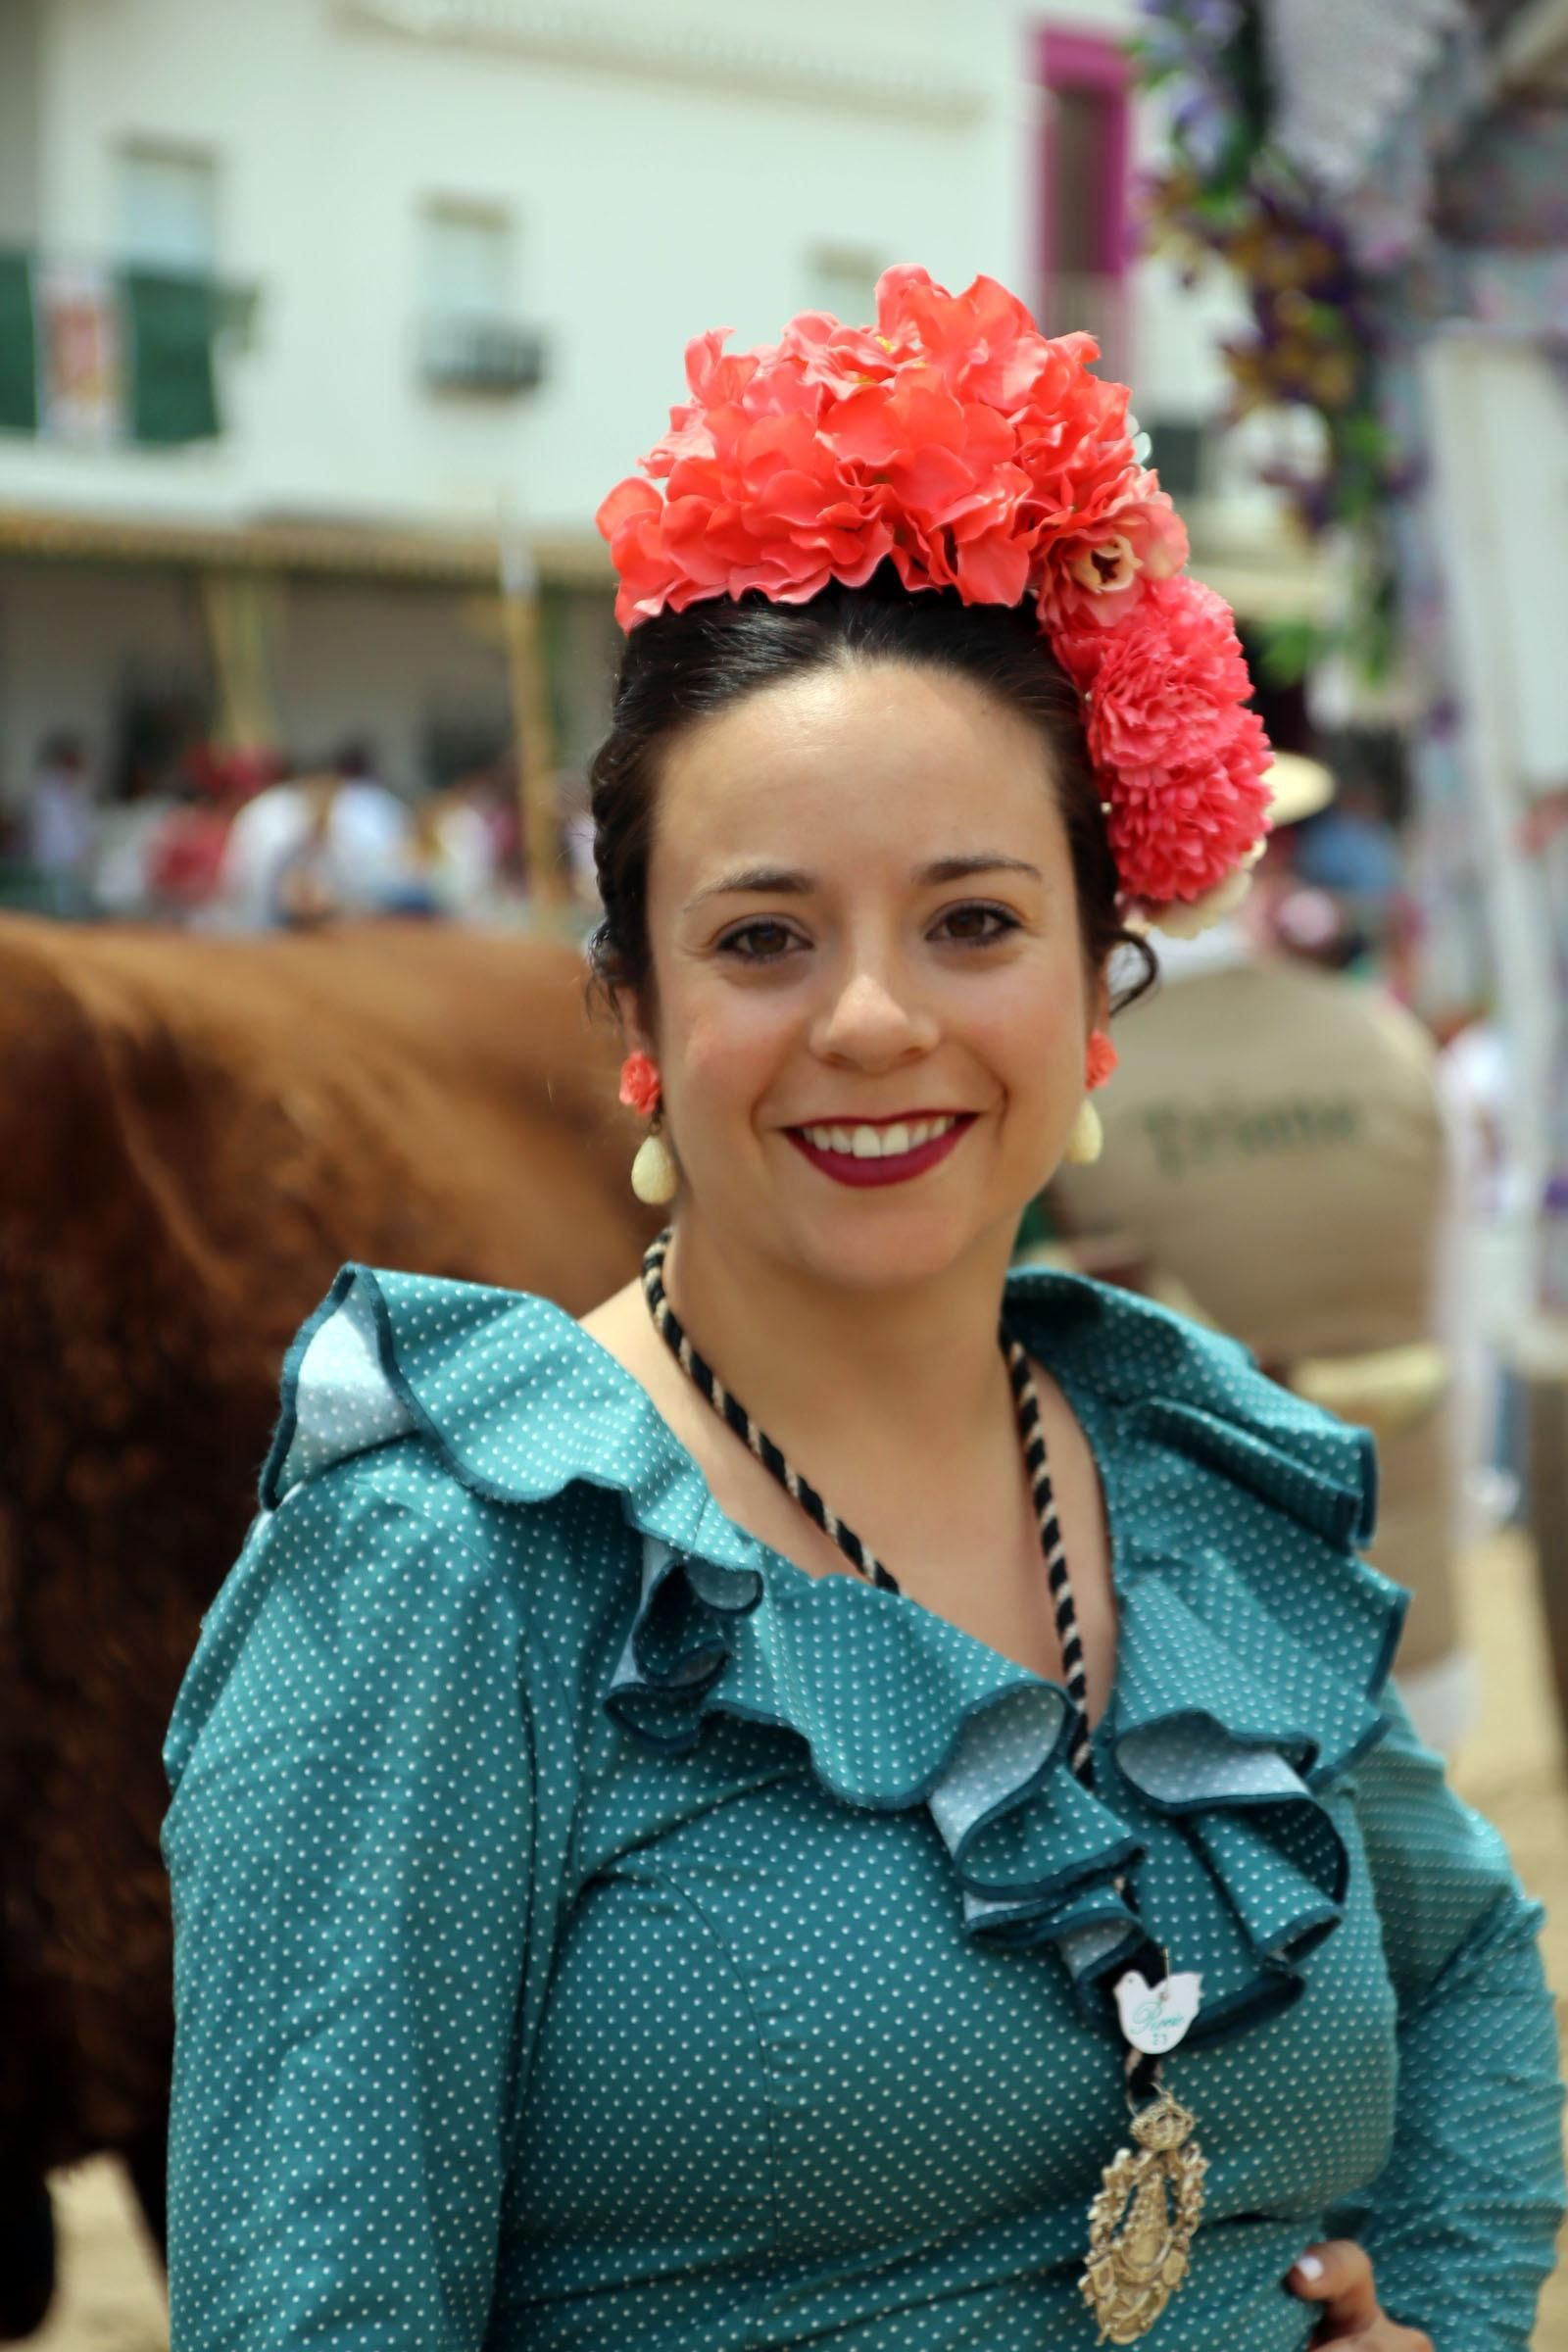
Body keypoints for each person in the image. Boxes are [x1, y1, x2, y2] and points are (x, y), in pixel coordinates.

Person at [161, 270, 1562, 2351]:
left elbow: (1459, 1976)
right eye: (761, 938)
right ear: (637, 1015)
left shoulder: (1191, 1491)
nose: (875, 1019)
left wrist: (1431, 2307)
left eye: (973, 920)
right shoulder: (456, 1579)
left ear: (1097, 997)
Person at [1050, 755, 1478, 1754]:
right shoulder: (1386, 1043)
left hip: (1187, 1666)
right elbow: (1456, 1325)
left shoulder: (1060, 1083)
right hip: (1420, 1612)